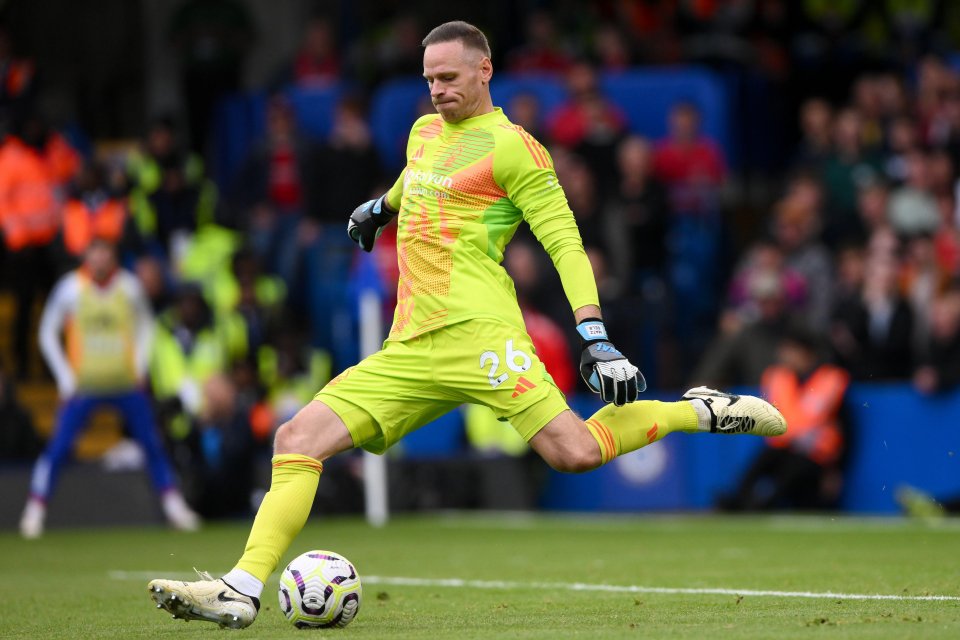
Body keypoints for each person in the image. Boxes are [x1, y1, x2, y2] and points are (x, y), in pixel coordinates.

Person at [147, 21, 787, 629]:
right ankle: (241, 591)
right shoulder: (424, 131)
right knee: (296, 438)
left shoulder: (515, 149)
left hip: (483, 338)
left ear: (485, 70)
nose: (437, 89)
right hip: (411, 344)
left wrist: (594, 334)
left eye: (450, 76)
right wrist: (380, 207)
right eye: (429, 78)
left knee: (575, 452)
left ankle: (696, 411)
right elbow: (417, 179)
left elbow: (564, 241)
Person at [18, 238, 199, 539]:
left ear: (113, 257)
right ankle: (34, 510)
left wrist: (139, 367)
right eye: (95, 252)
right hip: (84, 386)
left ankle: (174, 507)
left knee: (152, 444)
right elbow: (46, 332)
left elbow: (146, 326)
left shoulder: (129, 287)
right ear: (86, 255)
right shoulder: (70, 288)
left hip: (125, 384)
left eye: (106, 253)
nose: (101, 259)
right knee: (58, 448)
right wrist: (65, 377)